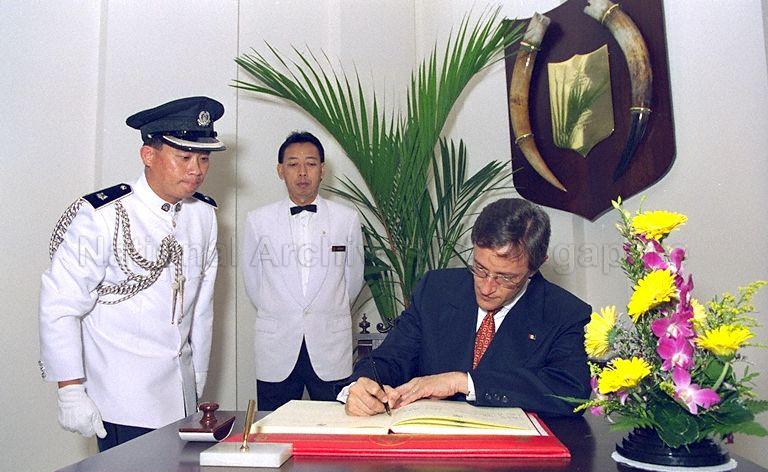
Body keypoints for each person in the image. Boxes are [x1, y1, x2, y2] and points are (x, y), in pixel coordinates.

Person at [39, 96, 226, 451]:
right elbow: (60, 304)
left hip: (181, 397)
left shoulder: (203, 215)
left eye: (204, 159)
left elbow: (201, 305)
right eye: (184, 157)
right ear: (148, 155)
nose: (196, 170)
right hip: (122, 399)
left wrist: (197, 374)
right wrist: (70, 389)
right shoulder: (103, 215)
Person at [343, 198, 591, 417]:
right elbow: (391, 357)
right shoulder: (436, 290)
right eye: (480, 269)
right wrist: (363, 385)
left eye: (505, 277)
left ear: (535, 267)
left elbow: (570, 391)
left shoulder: (565, 312)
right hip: (433, 445)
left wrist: (464, 382)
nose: (487, 287)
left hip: (509, 452)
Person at [242, 131, 364, 411]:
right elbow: (254, 283)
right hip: (277, 347)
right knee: (275, 426)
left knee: (334, 425)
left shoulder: (346, 219)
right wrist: (284, 309)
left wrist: (325, 309)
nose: (302, 172)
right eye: (293, 164)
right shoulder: (258, 221)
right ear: (280, 171)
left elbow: (353, 280)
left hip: (331, 345)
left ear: (322, 170)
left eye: (310, 163)